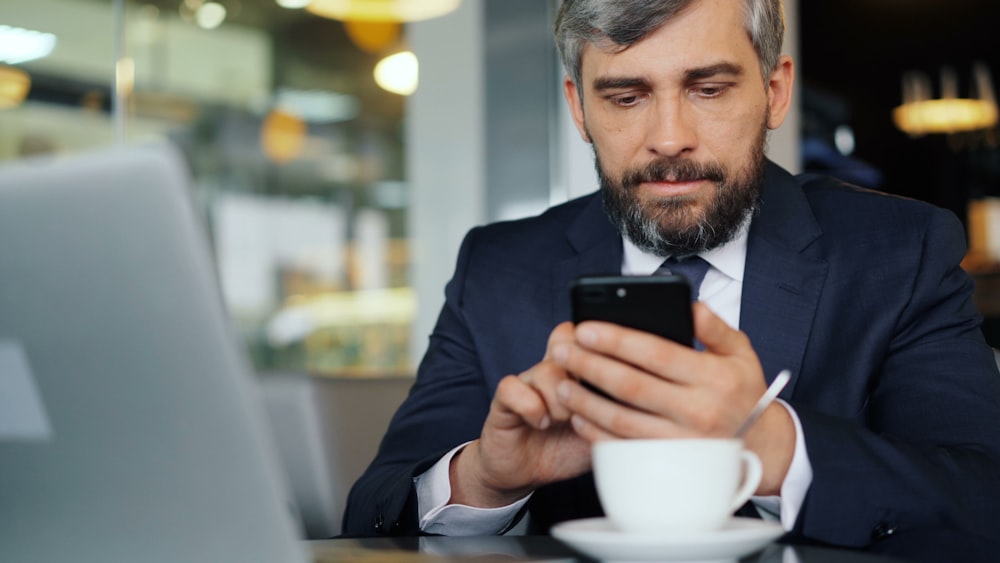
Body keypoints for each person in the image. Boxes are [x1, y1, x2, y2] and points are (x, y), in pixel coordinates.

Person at [343, 0, 1000, 552]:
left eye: (708, 89)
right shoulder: (498, 266)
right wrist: (486, 478)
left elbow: (981, 500)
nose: (668, 137)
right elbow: (373, 506)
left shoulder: (901, 252)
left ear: (775, 90)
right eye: (626, 96)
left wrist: (771, 447)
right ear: (578, 107)